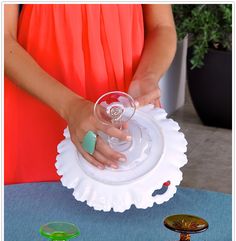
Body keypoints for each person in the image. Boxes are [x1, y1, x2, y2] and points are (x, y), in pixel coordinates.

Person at [4, 4, 177, 184]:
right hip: (42, 102)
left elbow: (161, 27)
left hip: (123, 106)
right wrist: (71, 107)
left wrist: (147, 77)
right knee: (39, 204)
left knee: (132, 199)